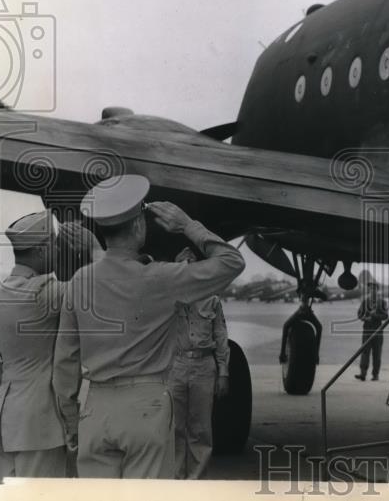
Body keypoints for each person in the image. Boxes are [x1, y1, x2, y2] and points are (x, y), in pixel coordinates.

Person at [52, 174, 245, 479]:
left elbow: (64, 362)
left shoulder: (79, 283)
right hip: (146, 409)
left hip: (95, 409)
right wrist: (186, 224)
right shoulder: (162, 279)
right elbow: (232, 262)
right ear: (139, 226)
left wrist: (71, 420)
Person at [0, 213, 69, 482]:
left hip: (1, 425)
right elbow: (102, 286)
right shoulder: (47, 292)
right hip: (39, 426)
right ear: (42, 249)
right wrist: (93, 249)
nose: (59, 250)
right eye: (56, 245)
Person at [169, 247, 231, 479]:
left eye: (192, 265)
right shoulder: (168, 298)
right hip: (176, 365)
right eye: (182, 266)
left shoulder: (212, 298)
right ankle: (176, 483)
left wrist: (224, 372)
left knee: (201, 430)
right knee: (174, 428)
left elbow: (221, 336)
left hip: (204, 367)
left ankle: (197, 483)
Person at [279, 281, 324, 366]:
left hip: (301, 311)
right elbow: (324, 297)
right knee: (319, 327)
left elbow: (299, 292)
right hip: (307, 311)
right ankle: (316, 356)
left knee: (286, 326)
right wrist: (316, 292)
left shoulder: (302, 289)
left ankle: (282, 354)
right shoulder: (309, 290)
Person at [355, 281, 388, 381]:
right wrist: (365, 318)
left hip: (377, 331)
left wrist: (375, 316)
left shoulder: (382, 302)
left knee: (377, 353)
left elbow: (385, 316)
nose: (372, 290)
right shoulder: (365, 301)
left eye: (374, 288)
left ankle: (375, 374)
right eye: (370, 288)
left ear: (377, 290)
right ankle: (363, 374)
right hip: (367, 330)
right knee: (365, 352)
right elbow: (359, 314)